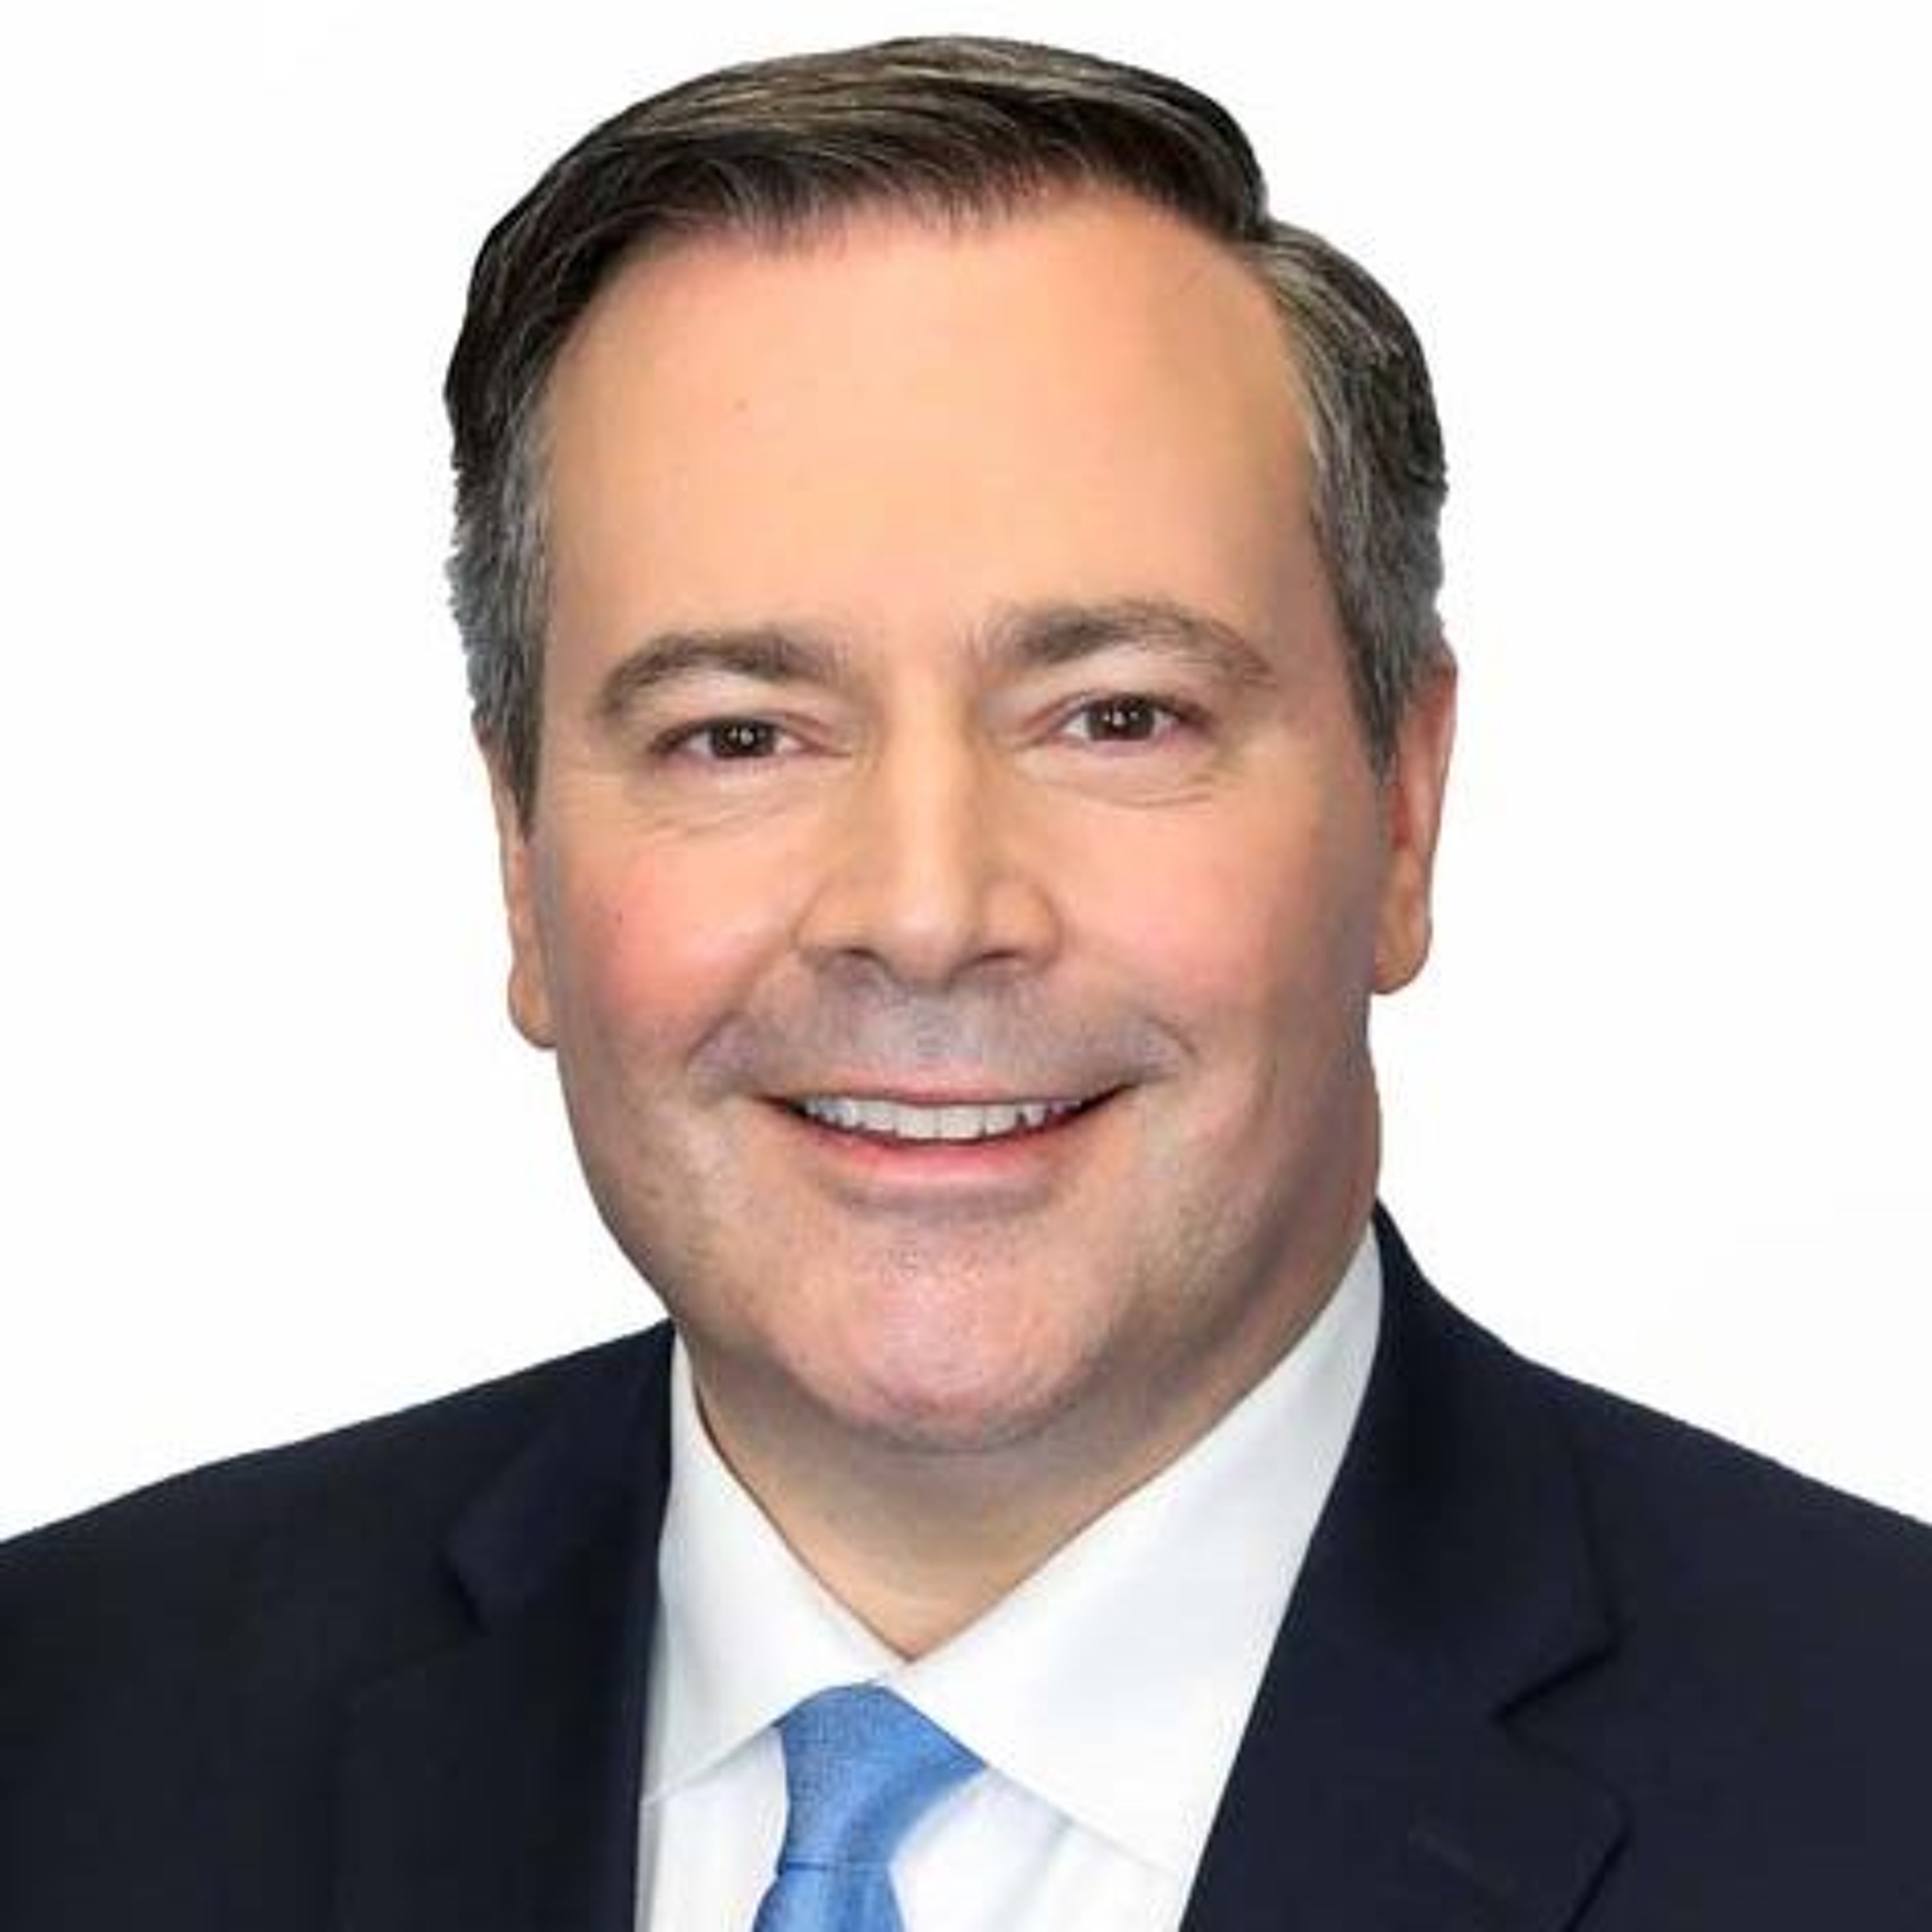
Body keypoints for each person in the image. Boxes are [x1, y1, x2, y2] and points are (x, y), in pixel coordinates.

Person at [2, 33, 1927, 1931]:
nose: (925, 913)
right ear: (522, 852)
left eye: (1114, 715)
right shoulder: (64, 1738)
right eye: (738, 734)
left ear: (1403, 810)